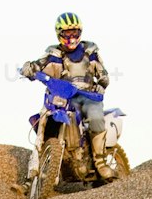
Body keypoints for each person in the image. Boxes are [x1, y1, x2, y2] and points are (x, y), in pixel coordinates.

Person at [20, 12, 116, 179]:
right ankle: (33, 174)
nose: (71, 37)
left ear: (80, 33)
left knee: (95, 117)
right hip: (61, 96)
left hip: (87, 96)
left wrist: (102, 83)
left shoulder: (90, 50)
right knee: (42, 118)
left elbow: (103, 73)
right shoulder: (54, 53)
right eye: (67, 33)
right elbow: (39, 64)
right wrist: (28, 68)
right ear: (59, 34)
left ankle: (100, 161)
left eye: (75, 33)